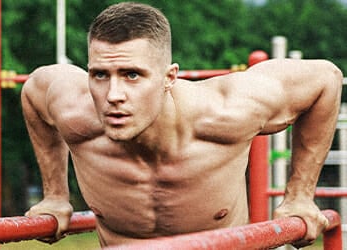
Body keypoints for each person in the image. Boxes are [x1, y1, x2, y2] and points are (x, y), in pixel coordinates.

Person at [21, 2, 342, 248]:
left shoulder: (224, 113)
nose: (113, 96)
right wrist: (55, 195)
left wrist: (300, 194)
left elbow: (325, 79)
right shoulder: (76, 113)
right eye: (100, 75)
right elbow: (35, 88)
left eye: (132, 75)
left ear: (169, 77)